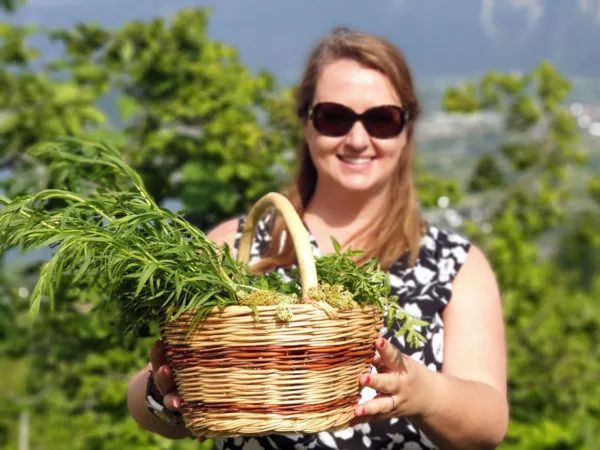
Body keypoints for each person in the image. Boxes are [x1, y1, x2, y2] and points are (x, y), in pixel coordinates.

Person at [126, 26, 508, 450]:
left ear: (406, 128)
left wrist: (424, 393)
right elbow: (145, 396)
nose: (358, 139)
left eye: (382, 119)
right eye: (335, 117)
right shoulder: (234, 247)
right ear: (306, 123)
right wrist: (162, 396)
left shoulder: (456, 264)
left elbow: (489, 424)